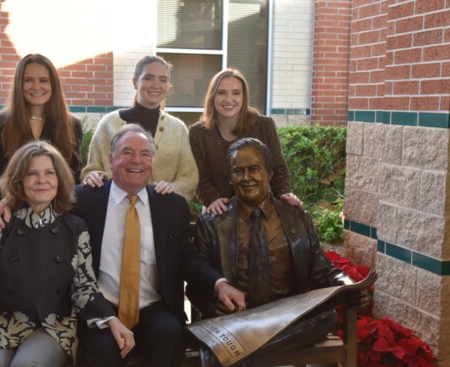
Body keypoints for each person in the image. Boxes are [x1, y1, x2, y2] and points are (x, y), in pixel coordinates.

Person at [0, 124, 246, 367]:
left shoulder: (171, 205)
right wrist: (1, 206)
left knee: (170, 333)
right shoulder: (83, 200)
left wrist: (219, 284)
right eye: (127, 152)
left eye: (144, 154)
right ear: (111, 158)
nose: (136, 161)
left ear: (152, 162)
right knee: (102, 348)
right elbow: (40, 198)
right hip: (100, 308)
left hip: (154, 307)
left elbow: (187, 257)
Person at [186, 137, 368, 366]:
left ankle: (241, 354)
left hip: (285, 318)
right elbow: (196, 282)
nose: (246, 178)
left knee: (325, 317)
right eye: (237, 171)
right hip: (235, 321)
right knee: (226, 339)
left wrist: (348, 284)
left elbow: (322, 270)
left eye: (253, 169)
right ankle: (237, 351)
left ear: (269, 173)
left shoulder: (297, 218)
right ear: (230, 177)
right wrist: (213, 305)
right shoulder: (212, 223)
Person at [0, 141, 107, 367]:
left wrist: (111, 318)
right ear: (18, 180)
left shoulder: (75, 228)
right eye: (32, 173)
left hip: (51, 327)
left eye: (50, 173)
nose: (42, 180)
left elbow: (85, 288)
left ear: (59, 179)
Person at [81, 55, 198, 202]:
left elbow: (189, 177)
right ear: (135, 82)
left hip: (160, 211)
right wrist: (93, 176)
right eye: (149, 78)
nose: (156, 85)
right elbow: (92, 169)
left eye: (163, 79)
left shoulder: (178, 129)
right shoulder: (109, 124)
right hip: (113, 210)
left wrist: (172, 188)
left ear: (168, 85)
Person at [189, 68, 301, 215]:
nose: (229, 99)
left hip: (260, 209)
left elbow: (278, 168)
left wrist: (284, 193)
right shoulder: (198, 132)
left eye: (236, 93)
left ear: (244, 96)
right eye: (222, 92)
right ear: (212, 96)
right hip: (219, 209)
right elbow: (199, 177)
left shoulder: (264, 125)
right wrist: (212, 199)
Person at [0, 53, 83, 209]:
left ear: (53, 85)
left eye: (43, 80)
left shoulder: (71, 125)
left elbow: (74, 179)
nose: (36, 87)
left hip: (57, 217)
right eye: (28, 80)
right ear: (19, 85)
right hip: (11, 216)